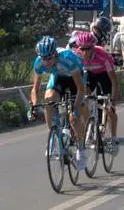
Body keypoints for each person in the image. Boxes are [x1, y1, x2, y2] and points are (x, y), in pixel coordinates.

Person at [30, 36, 87, 169]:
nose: (46, 62)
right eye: (44, 58)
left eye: (49, 58)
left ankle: (81, 148)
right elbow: (35, 88)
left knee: (74, 118)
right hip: (59, 77)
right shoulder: (39, 63)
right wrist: (33, 105)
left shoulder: (68, 59)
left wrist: (76, 108)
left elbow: (80, 88)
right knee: (48, 100)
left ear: (55, 54)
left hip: (75, 79)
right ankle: (54, 135)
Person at [76, 32, 120, 155]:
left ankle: (114, 138)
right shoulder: (77, 55)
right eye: (82, 49)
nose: (84, 52)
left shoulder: (102, 56)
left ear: (93, 47)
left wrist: (114, 96)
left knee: (110, 108)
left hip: (104, 75)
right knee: (84, 92)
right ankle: (90, 118)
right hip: (89, 74)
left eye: (87, 49)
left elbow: (113, 79)